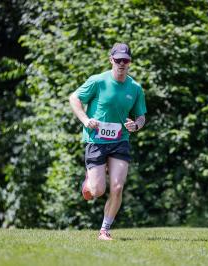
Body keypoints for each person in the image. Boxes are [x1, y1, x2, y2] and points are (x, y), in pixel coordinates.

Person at [69, 43, 147, 241]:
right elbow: (74, 98)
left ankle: (104, 230)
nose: (122, 63)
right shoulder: (97, 81)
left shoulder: (135, 88)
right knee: (97, 190)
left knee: (118, 187)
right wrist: (86, 120)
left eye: (126, 60)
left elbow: (141, 116)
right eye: (118, 60)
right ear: (111, 59)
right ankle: (90, 181)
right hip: (96, 140)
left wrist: (136, 126)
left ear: (130, 62)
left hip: (120, 140)